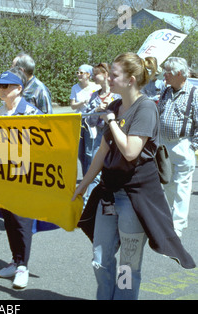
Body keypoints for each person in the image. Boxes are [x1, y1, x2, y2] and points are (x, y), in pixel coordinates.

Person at [73, 52, 195, 300]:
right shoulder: (116, 106)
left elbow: (130, 151)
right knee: (100, 260)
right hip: (109, 194)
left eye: (114, 75)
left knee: (128, 267)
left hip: (134, 198)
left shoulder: (147, 108)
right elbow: (103, 151)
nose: (109, 79)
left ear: (129, 80)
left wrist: (112, 122)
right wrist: (84, 185)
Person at [0, 67, 46, 290]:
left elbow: (43, 146)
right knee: (9, 220)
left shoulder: (32, 113)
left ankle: (23, 266)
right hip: (3, 176)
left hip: (25, 176)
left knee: (22, 221)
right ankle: (15, 260)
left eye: (5, 86)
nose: (1, 90)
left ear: (19, 89)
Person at [157, 57, 198, 237]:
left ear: (179, 74)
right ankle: (175, 216)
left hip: (183, 144)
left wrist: (192, 146)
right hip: (164, 145)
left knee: (182, 186)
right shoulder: (165, 91)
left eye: (167, 72)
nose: (164, 75)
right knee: (167, 183)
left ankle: (177, 226)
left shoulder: (194, 93)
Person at [82, 63, 120, 204]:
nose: (92, 76)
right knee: (94, 172)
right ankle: (88, 205)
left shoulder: (117, 94)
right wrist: (97, 110)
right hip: (99, 136)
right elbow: (88, 120)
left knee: (114, 171)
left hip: (116, 137)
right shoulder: (94, 96)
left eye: (95, 73)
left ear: (105, 74)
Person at [70, 64, 101, 176]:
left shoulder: (95, 87)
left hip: (91, 122)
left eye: (81, 73)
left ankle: (90, 177)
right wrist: (82, 102)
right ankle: (85, 177)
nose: (78, 75)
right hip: (78, 121)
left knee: (89, 152)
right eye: (77, 72)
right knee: (80, 153)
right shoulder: (75, 88)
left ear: (88, 75)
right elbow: (72, 106)